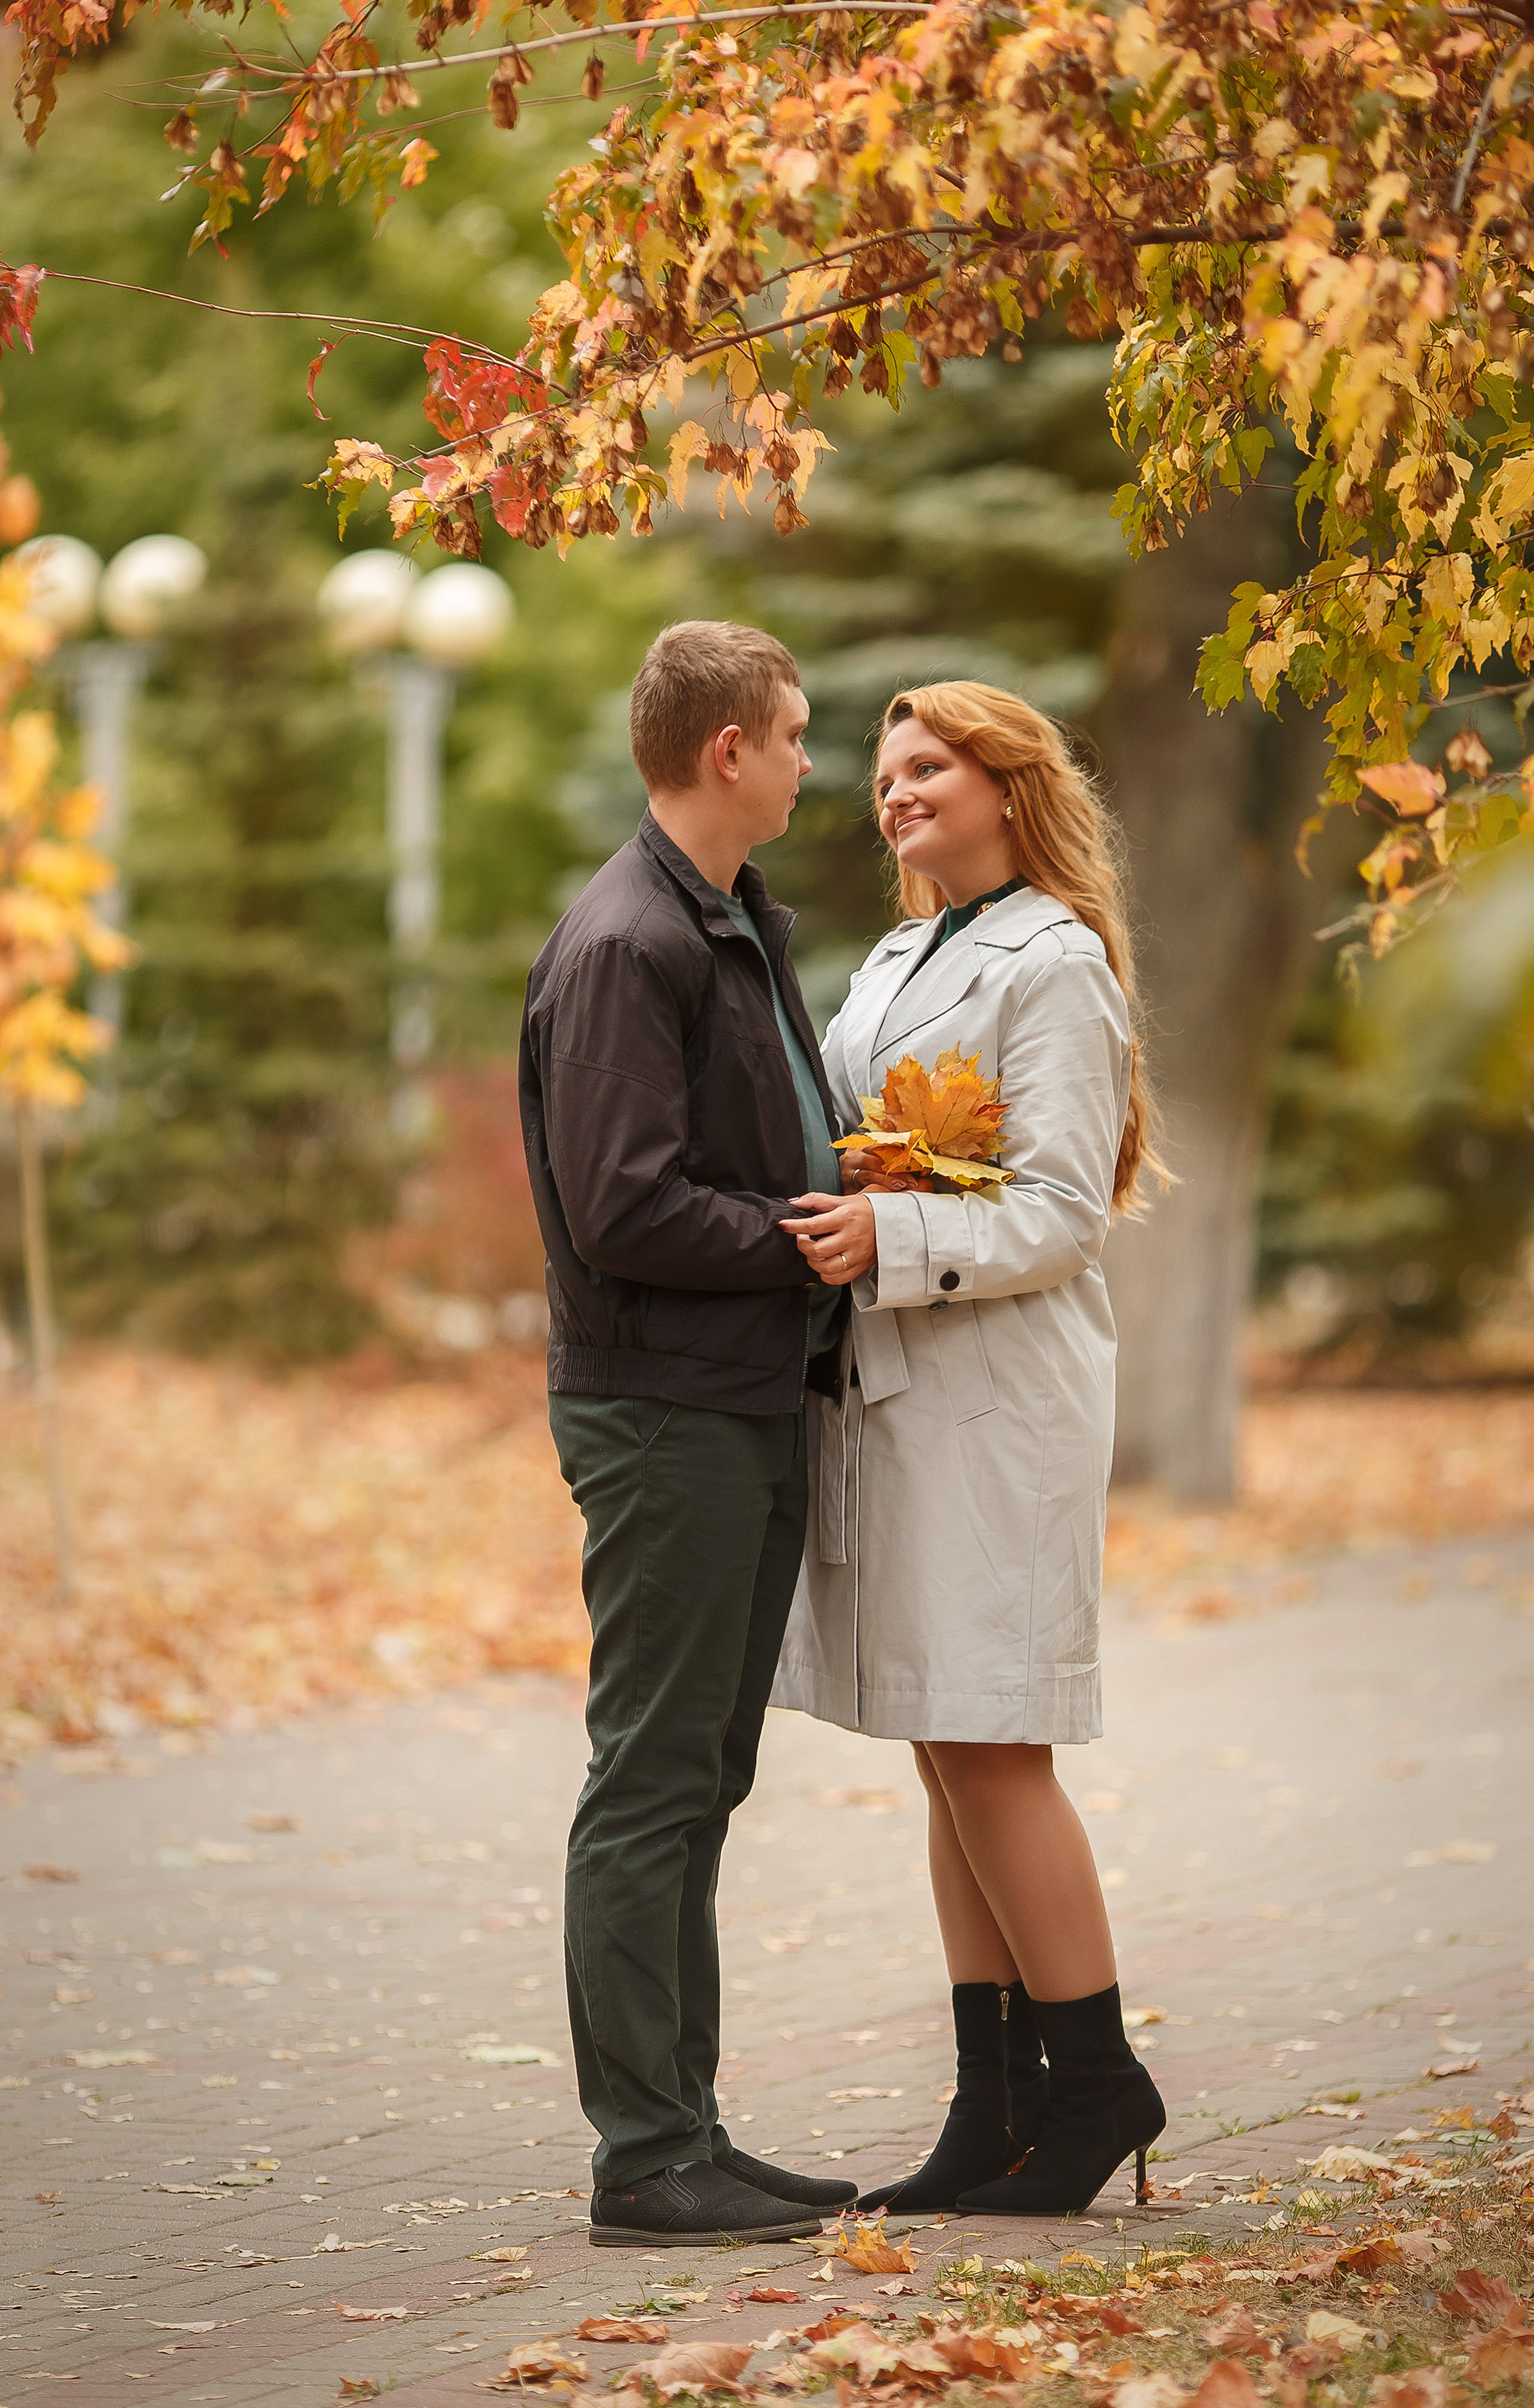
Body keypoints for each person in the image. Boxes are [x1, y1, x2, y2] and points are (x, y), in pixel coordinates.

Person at [775, 681, 1167, 2218]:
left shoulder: (1053, 961)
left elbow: (1063, 1212)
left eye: (927, 766)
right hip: (900, 1386)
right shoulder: (890, 957)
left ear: (1007, 786)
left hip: (998, 1395)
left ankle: (1099, 2080)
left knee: (995, 1741)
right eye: (882, 775)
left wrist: (890, 1228)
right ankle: (990, 2107)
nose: (893, 792)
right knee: (948, 1747)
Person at [518, 621, 856, 2247]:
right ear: (727, 751)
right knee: (650, 1779)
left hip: (738, 1396)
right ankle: (644, 2153)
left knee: (699, 1776)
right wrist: (805, 1238)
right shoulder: (625, 940)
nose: (810, 762)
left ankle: (691, 2129)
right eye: (794, 737)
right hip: (663, 1411)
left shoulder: (726, 922)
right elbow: (622, 1204)